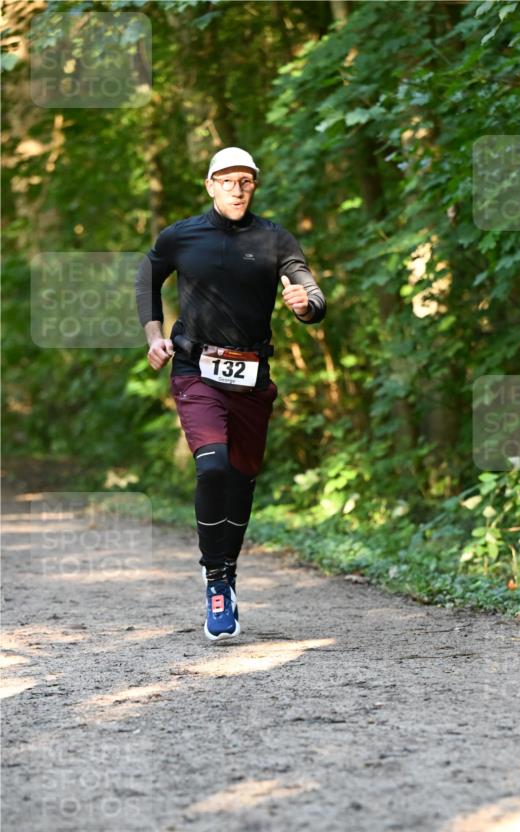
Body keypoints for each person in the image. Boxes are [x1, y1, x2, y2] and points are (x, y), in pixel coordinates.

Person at [135, 147, 326, 640]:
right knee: (213, 463)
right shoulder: (181, 236)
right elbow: (148, 274)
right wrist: (154, 334)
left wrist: (305, 305)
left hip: (252, 375)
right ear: (210, 185)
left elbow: (312, 294)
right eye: (227, 180)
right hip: (195, 368)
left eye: (246, 181)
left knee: (241, 479)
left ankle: (228, 570)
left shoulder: (273, 238)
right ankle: (215, 579)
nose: (237, 189)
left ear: (254, 187)